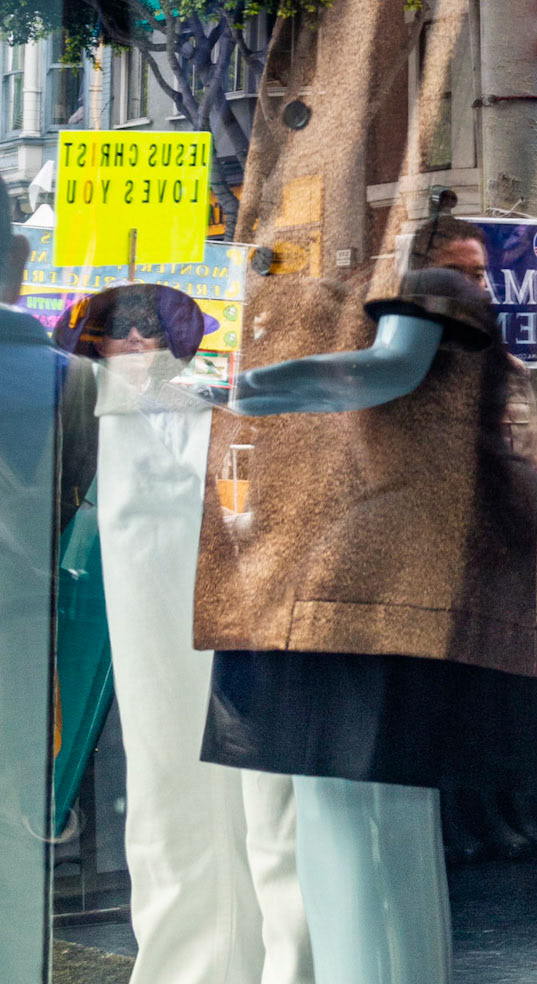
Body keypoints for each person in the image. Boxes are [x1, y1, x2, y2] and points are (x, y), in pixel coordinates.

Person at [194, 214, 537, 984]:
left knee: (348, 803)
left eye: (479, 271)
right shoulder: (417, 320)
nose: (480, 285)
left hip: (384, 559)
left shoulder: (426, 301)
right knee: (371, 806)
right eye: (468, 267)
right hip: (403, 551)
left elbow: (376, 373)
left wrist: (237, 388)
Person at [54, 283, 313, 984]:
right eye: (117, 331)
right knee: (172, 769)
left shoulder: (212, 399)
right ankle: (203, 962)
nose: (132, 343)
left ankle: (272, 960)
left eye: (146, 329)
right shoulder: (116, 407)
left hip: (239, 561)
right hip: (165, 569)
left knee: (261, 780)